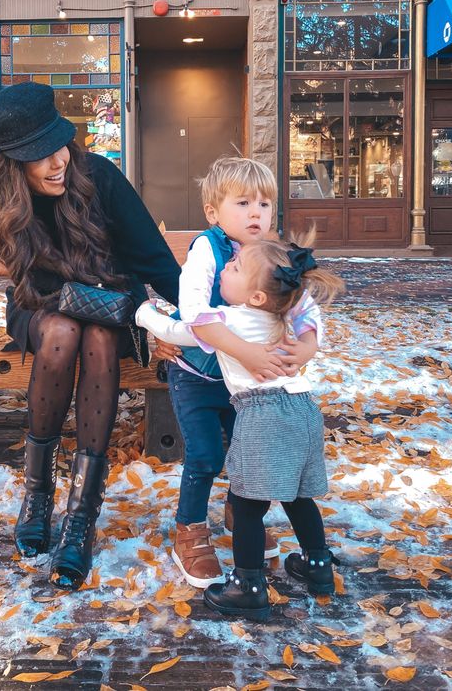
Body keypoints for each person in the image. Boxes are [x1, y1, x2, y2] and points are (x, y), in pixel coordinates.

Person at [0, 83, 181, 591]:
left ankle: (82, 515)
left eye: (59, 145)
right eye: (40, 156)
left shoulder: (99, 178)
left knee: (100, 339)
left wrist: (194, 326)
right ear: (12, 166)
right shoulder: (4, 208)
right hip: (43, 309)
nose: (58, 161)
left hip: (114, 308)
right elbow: (38, 289)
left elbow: (155, 260)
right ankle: (38, 494)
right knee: (65, 331)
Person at [137, 235, 344, 621]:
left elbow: (177, 332)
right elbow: (311, 315)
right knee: (298, 497)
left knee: (248, 507)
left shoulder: (227, 320)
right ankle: (318, 566)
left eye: (233, 269)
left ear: (257, 296)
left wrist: (145, 314)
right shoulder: (286, 318)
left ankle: (248, 586)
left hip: (262, 415)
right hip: (303, 410)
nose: (224, 270)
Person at [144, 157, 322, 589]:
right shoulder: (208, 249)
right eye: (243, 203)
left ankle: (240, 516)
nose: (256, 213)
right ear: (213, 213)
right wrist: (248, 353)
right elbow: (194, 314)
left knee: (245, 457)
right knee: (205, 456)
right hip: (198, 375)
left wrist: (307, 346)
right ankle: (189, 530)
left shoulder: (272, 254)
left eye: (264, 203)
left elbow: (306, 307)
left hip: (246, 387)